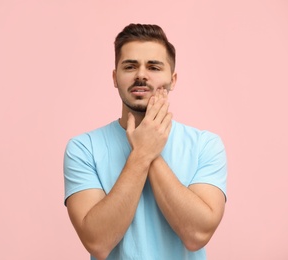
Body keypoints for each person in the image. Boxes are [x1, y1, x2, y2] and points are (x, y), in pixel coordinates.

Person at [63, 23, 227, 260]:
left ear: (173, 80)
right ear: (115, 78)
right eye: (130, 66)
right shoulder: (82, 149)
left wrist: (148, 149)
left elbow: (197, 235)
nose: (141, 75)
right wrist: (142, 153)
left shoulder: (205, 145)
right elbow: (97, 242)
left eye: (153, 66)